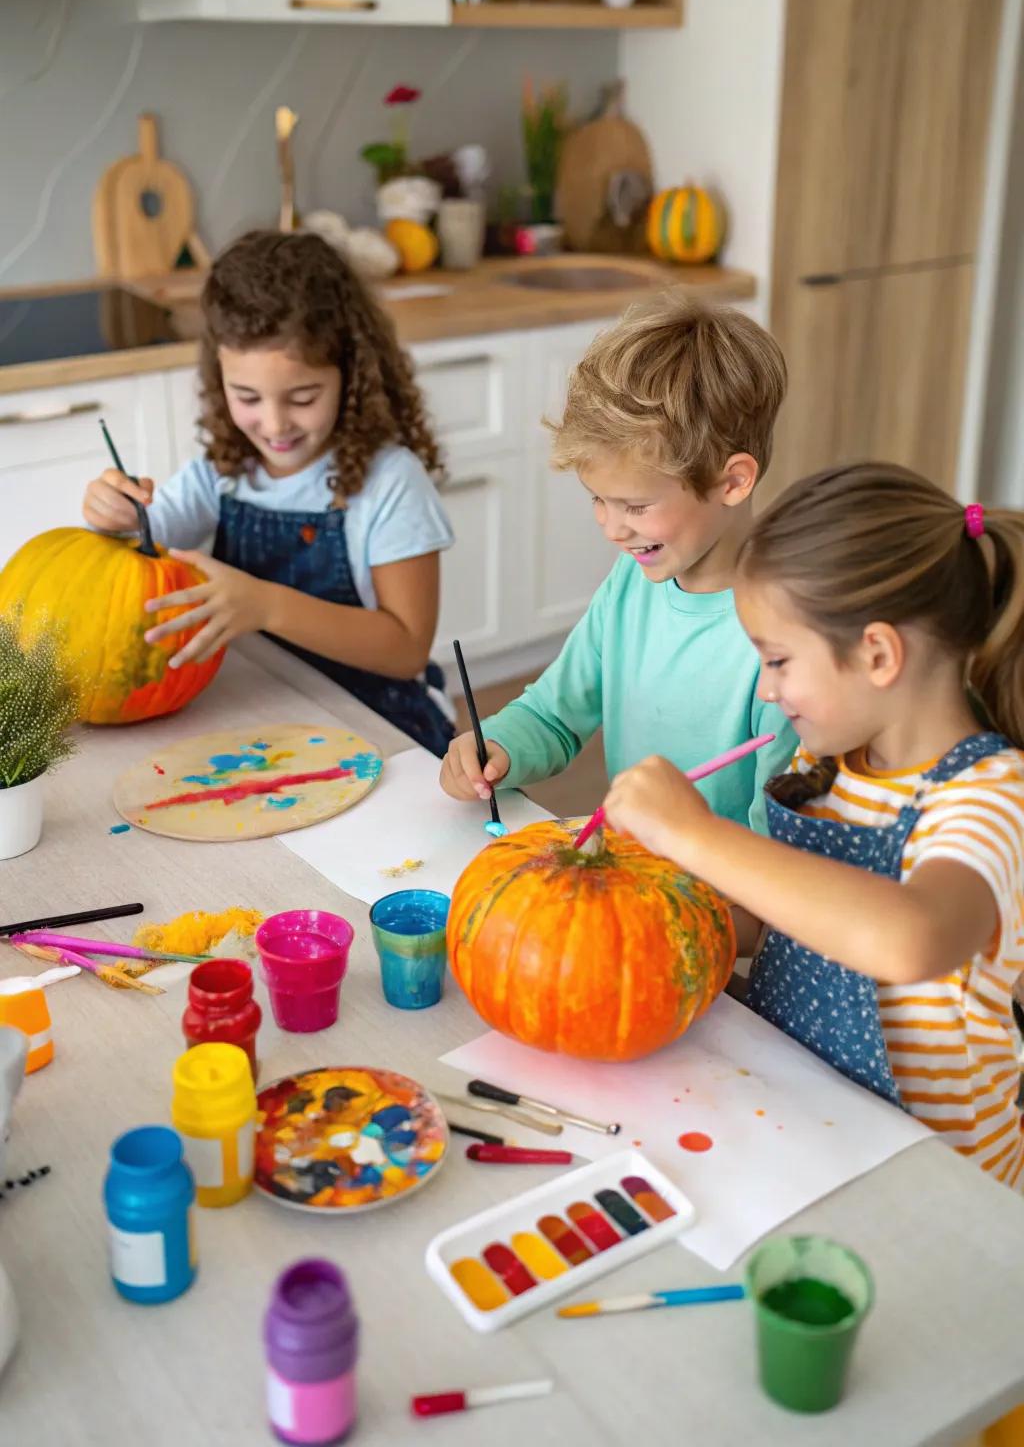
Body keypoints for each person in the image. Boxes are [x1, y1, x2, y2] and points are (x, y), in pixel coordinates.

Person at [603, 463, 1024, 1186]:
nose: (766, 688)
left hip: (941, 1179)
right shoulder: (831, 764)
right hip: (807, 1118)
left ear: (878, 654)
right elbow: (786, 925)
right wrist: (646, 936)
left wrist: (695, 835)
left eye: (778, 661)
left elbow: (909, 936)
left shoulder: (992, 799)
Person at [82, 230, 454, 755]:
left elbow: (406, 650)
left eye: (303, 396)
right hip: (270, 717)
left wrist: (265, 606)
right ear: (219, 378)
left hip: (381, 725)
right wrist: (113, 518)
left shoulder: (390, 482)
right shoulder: (222, 471)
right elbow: (137, 549)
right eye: (248, 396)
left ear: (350, 375)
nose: (275, 424)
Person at [440, 293, 796, 830]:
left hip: (723, 900)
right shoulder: (633, 584)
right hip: (631, 873)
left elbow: (779, 851)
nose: (611, 527)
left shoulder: (789, 641)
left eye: (636, 506)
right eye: (597, 499)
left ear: (732, 481)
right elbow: (554, 715)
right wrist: (497, 746)